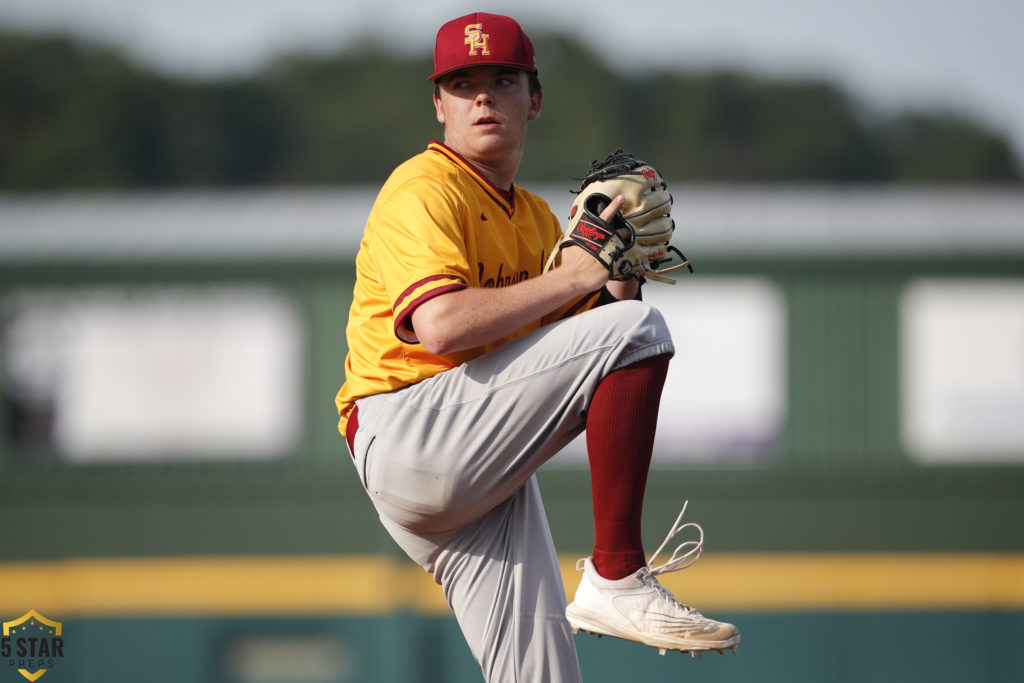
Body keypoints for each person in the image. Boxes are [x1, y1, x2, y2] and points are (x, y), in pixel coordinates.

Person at [335, 11, 740, 682]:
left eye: (502, 79)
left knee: (544, 674)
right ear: (439, 105)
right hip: (407, 428)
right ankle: (617, 573)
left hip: (475, 458)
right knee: (638, 336)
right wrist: (578, 275)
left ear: (536, 97)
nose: (484, 98)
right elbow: (439, 326)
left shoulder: (538, 220)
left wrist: (620, 270)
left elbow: (598, 340)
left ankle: (613, 584)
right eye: (463, 85)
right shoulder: (423, 189)